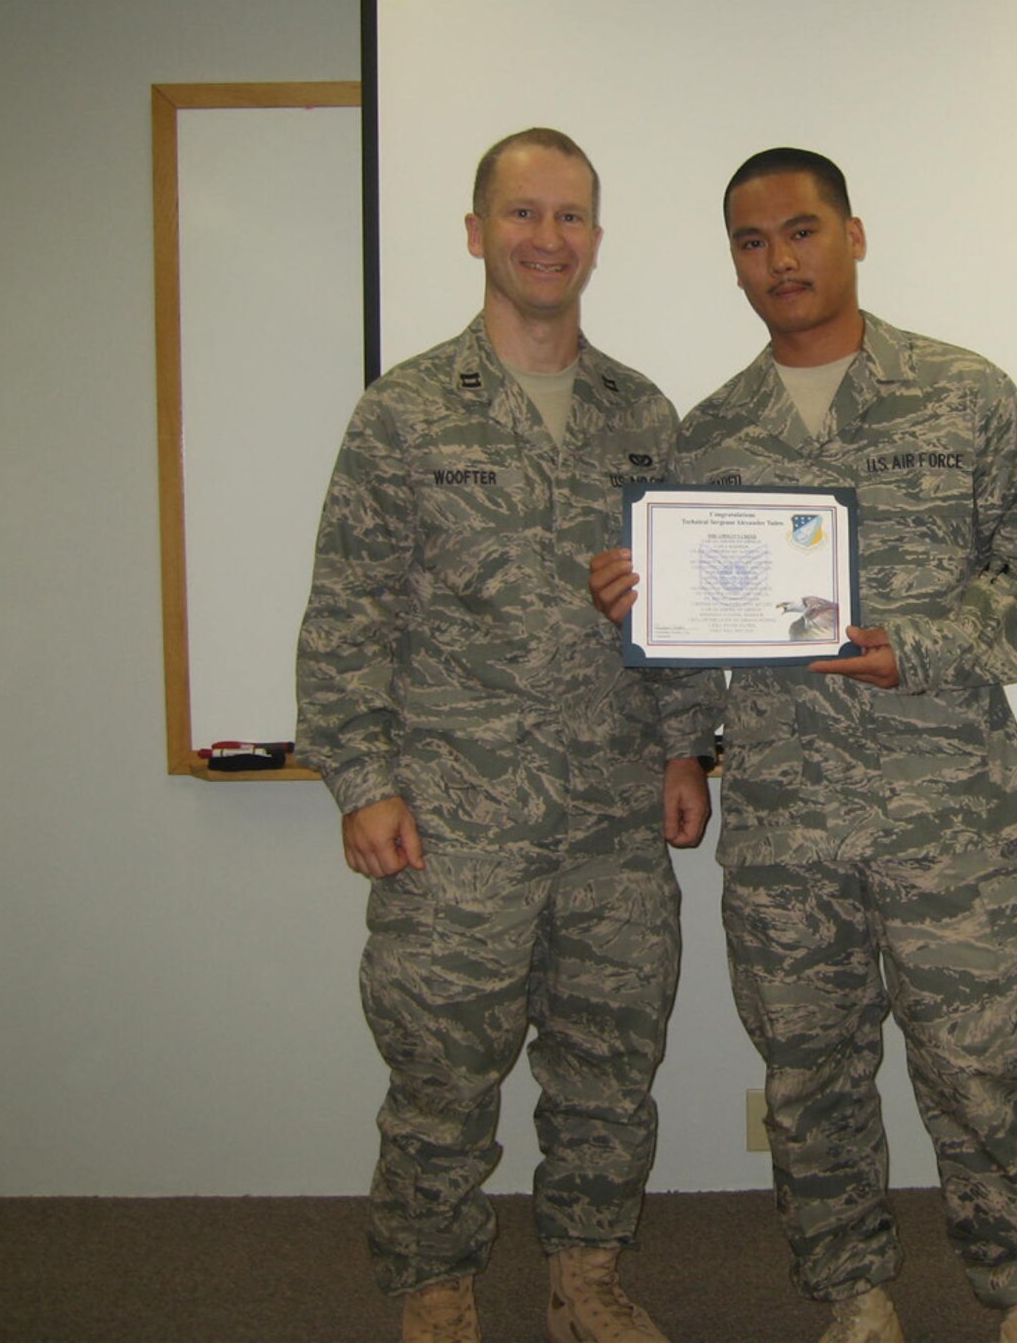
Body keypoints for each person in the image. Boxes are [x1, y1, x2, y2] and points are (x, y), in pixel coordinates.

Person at [591, 148, 1017, 1343]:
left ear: (854, 236)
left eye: (801, 232)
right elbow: (687, 650)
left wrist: (916, 644)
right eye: (751, 243)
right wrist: (641, 608)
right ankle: (853, 1292)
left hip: (945, 815)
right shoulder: (710, 436)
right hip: (786, 822)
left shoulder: (960, 394)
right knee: (809, 1080)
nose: (780, 262)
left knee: (979, 1075)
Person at [298, 129, 717, 1343]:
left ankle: (585, 1279)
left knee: (607, 1069)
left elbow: (682, 612)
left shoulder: (643, 416)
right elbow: (346, 612)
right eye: (523, 215)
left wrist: (685, 746)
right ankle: (433, 1290)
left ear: (596, 237)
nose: (548, 238)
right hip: (453, 825)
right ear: (478, 233)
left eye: (571, 216)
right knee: (441, 1077)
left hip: (611, 825)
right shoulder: (406, 414)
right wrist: (360, 782)